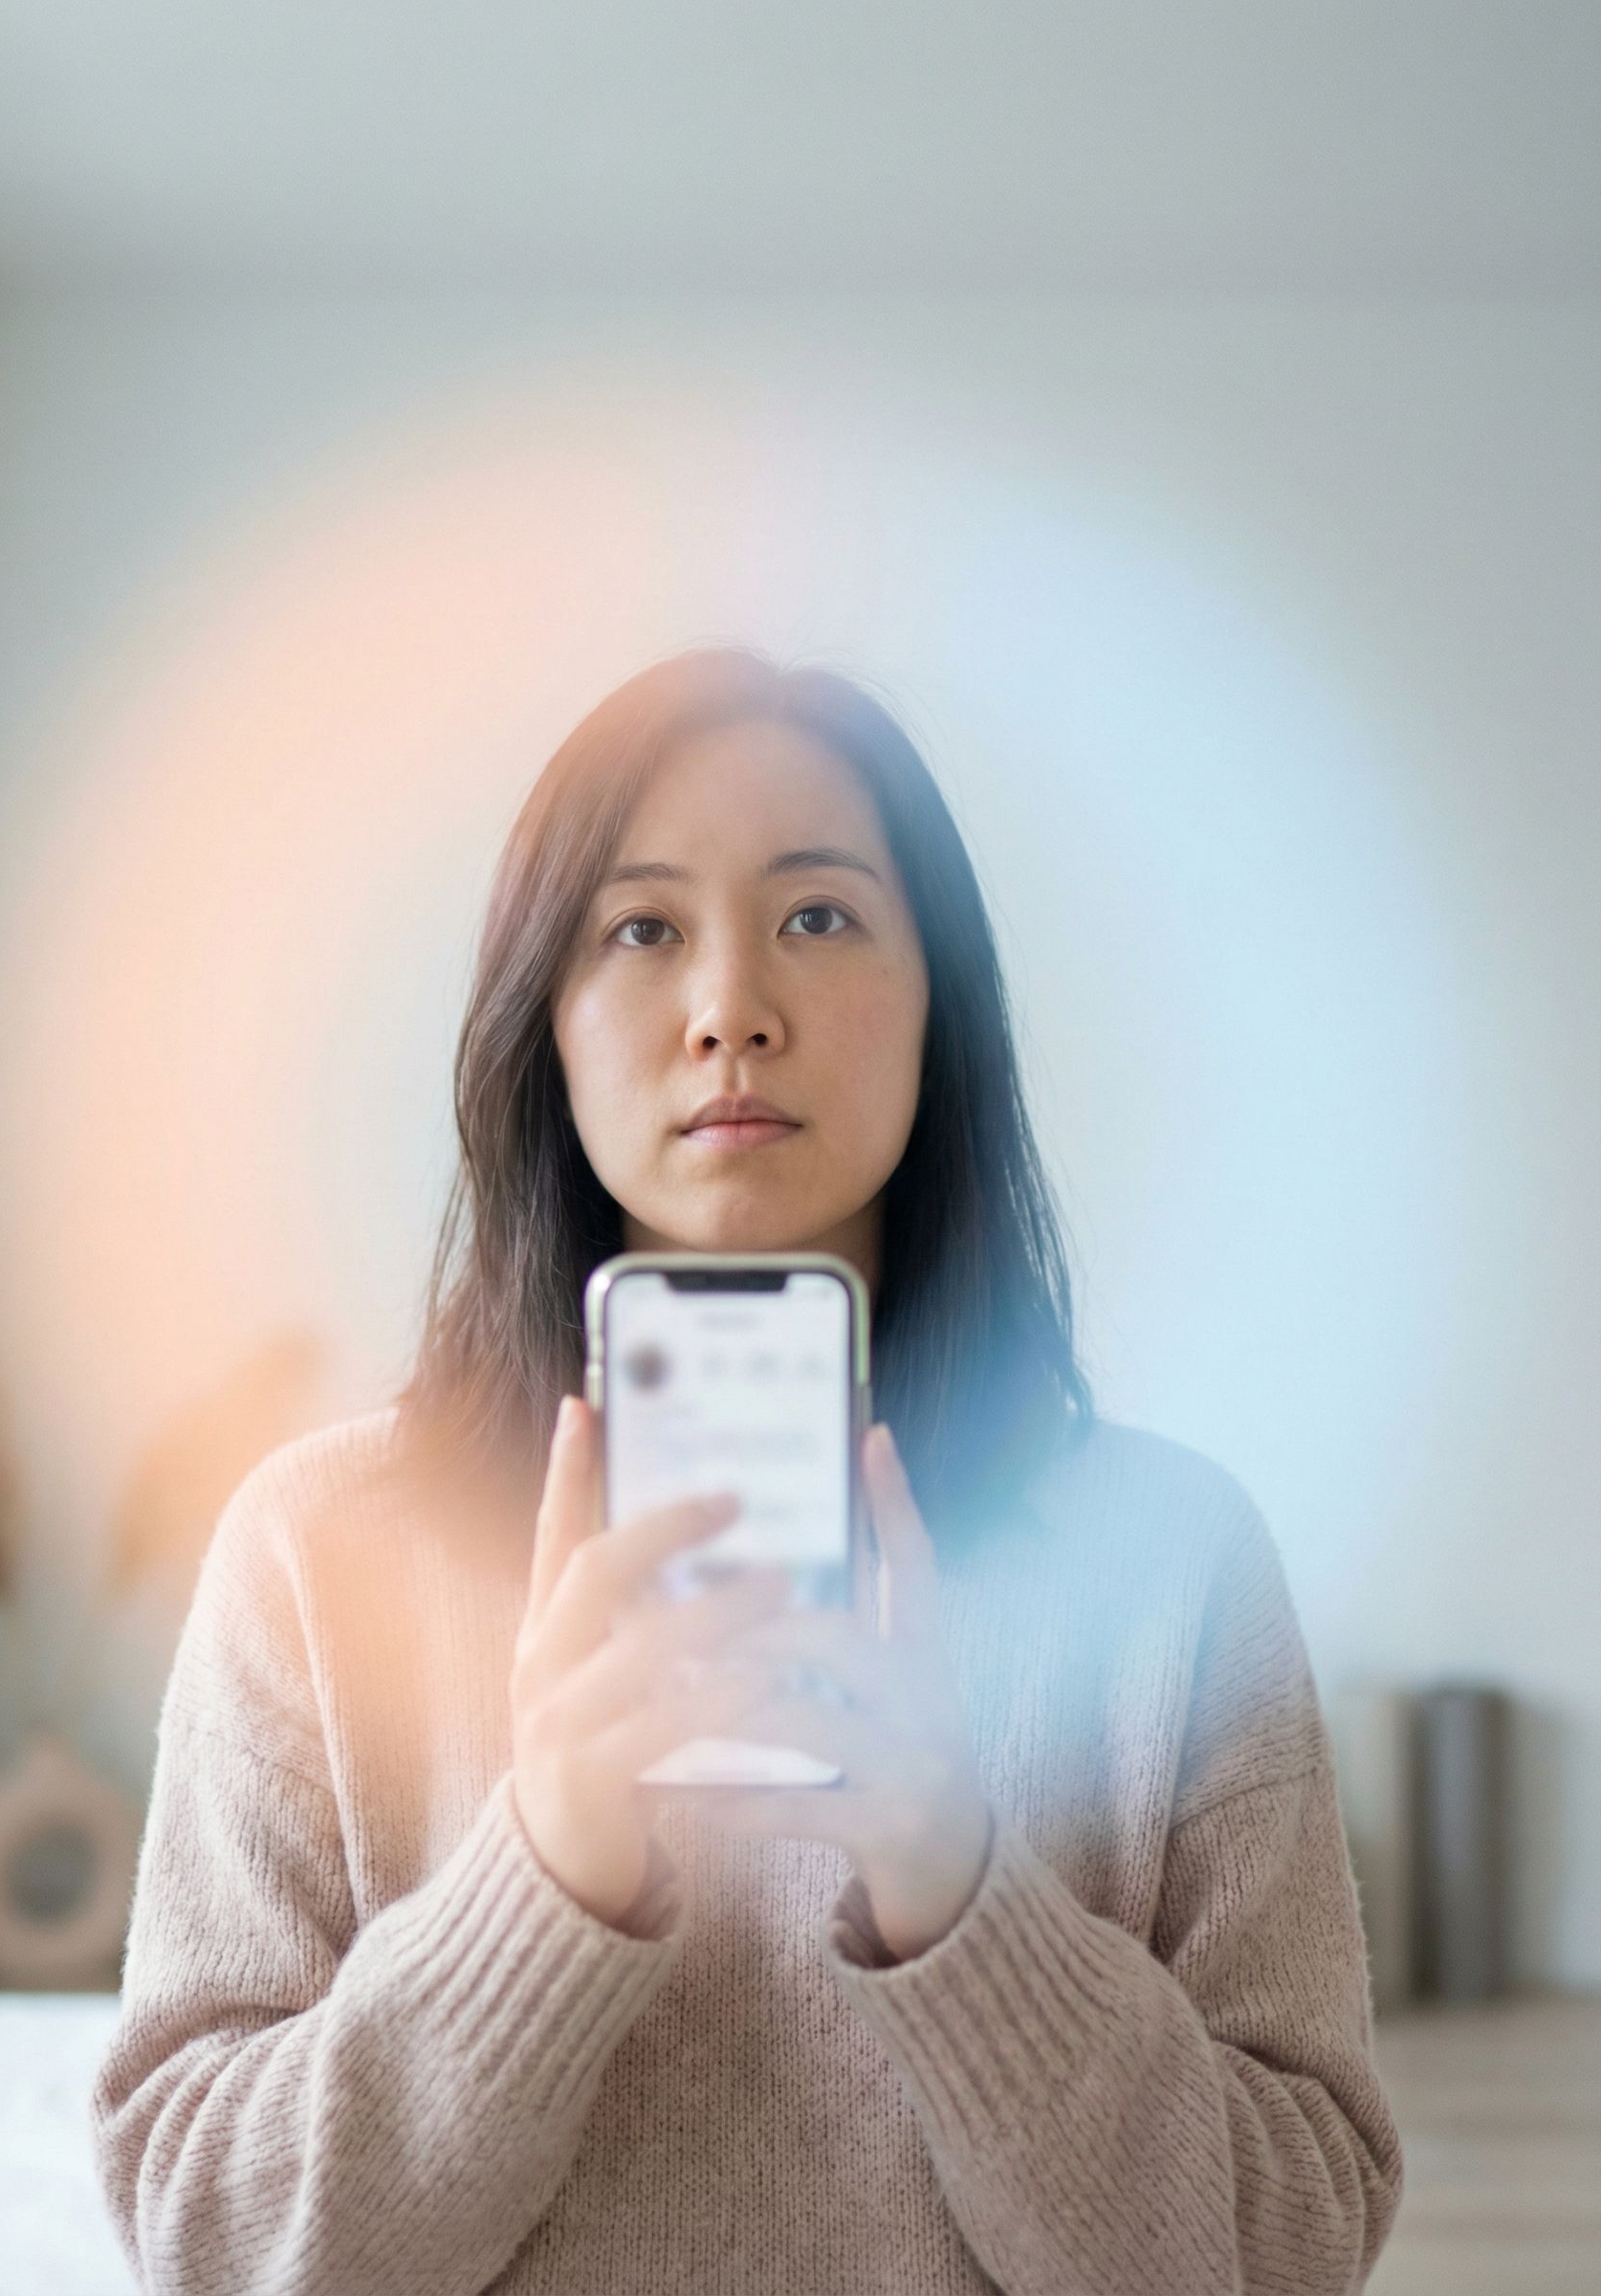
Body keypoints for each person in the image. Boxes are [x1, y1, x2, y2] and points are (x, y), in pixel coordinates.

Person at [90, 647, 1405, 2292]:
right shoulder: (314, 1552)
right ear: (544, 1024)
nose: (733, 1011)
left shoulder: (1172, 1562)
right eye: (642, 930)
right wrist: (541, 1881)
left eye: (819, 916)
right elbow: (209, 2242)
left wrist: (959, 1895)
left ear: (940, 1008)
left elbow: (1292, 2244)